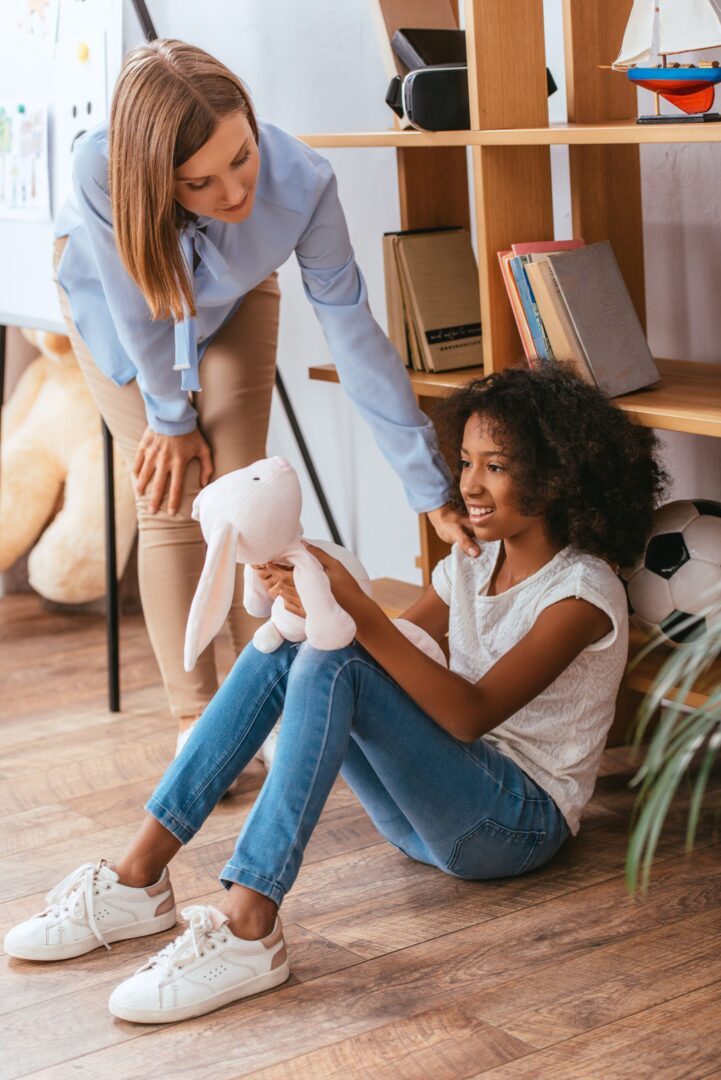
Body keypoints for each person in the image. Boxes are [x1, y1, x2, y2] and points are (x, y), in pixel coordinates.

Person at [4, 366, 666, 1024]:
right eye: (464, 461)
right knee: (295, 641)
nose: (468, 484)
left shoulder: (581, 593)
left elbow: (470, 716)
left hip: (513, 825)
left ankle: (248, 922)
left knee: (338, 656)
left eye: (495, 466)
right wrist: (313, 601)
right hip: (427, 819)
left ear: (558, 476)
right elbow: (397, 655)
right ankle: (136, 876)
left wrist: (358, 613)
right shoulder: (470, 560)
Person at [52, 39, 472, 750]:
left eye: (242, 157)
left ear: (250, 117)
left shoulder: (303, 181)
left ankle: (267, 698)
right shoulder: (100, 169)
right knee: (173, 493)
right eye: (201, 183)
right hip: (120, 306)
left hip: (236, 298)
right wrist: (169, 419)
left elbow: (352, 330)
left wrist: (425, 484)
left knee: (244, 503)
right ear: (156, 178)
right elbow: (134, 307)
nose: (236, 193)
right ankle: (198, 718)